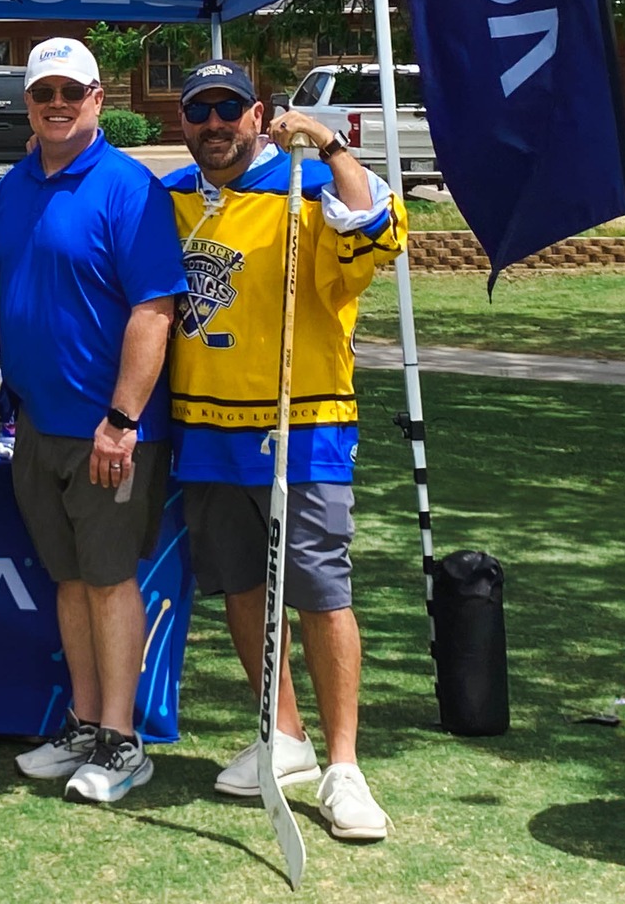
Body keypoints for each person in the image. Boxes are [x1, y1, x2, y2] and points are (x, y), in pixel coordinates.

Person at [163, 59, 405, 841]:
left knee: (319, 590)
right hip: (205, 424)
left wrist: (330, 142)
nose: (213, 125)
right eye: (199, 111)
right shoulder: (171, 199)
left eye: (228, 108)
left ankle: (344, 766)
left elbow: (375, 233)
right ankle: (284, 733)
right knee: (239, 587)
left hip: (301, 423)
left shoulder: (306, 190)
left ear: (257, 113)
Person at [0, 37, 187, 805]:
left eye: (74, 93)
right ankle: (80, 720)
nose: (58, 106)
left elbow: (153, 310)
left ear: (100, 99)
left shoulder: (128, 187)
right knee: (70, 581)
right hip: (38, 427)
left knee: (108, 583)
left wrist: (121, 418)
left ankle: (121, 738)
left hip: (109, 431)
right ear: (29, 105)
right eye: (46, 96)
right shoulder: (12, 187)